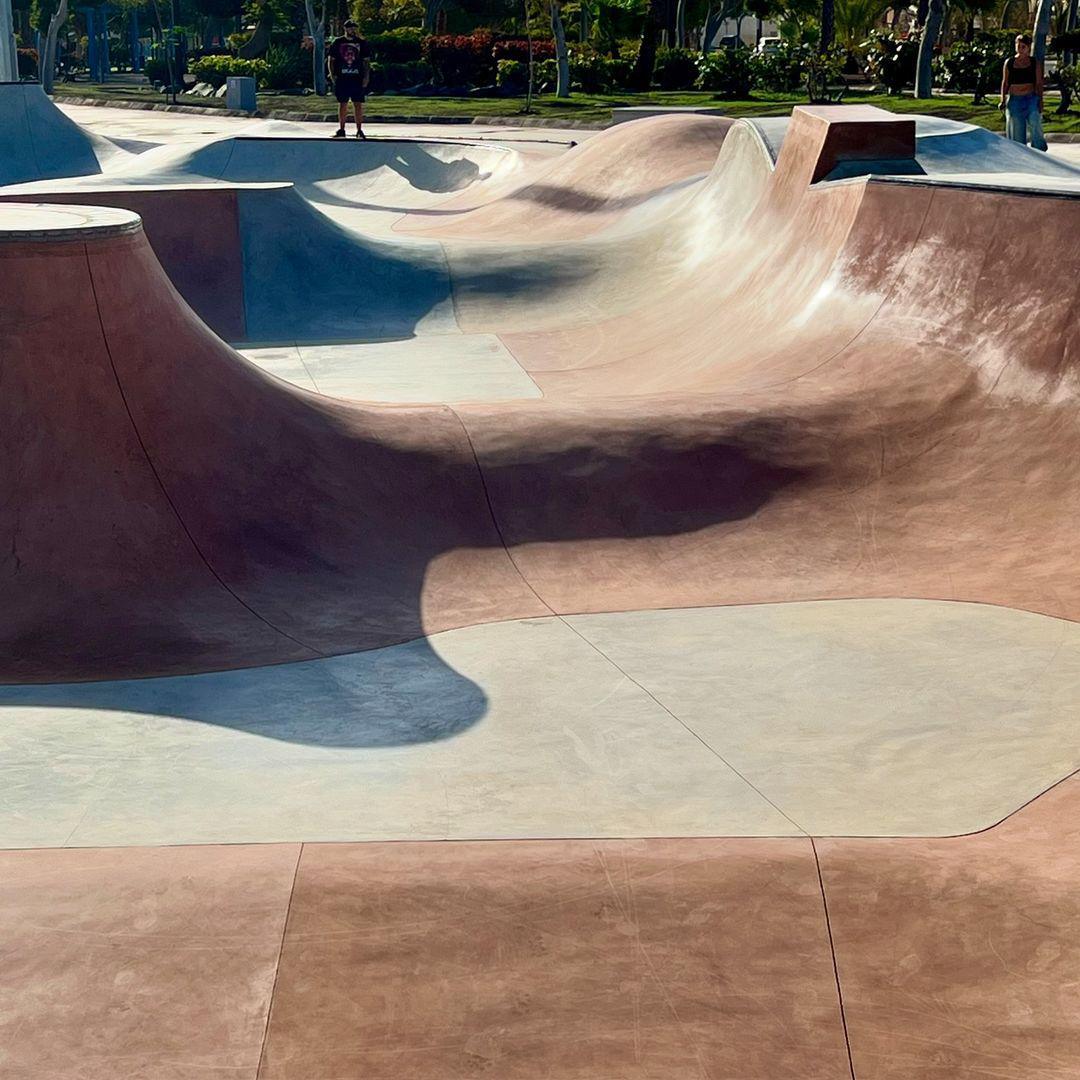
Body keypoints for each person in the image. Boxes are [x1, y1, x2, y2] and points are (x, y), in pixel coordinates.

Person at [999, 34, 1047, 151]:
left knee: (1035, 120)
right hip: (1015, 100)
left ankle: (1039, 150)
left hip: (1030, 98)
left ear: (1029, 47)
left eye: (1023, 46)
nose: (1020, 48)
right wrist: (1002, 99)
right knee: (1017, 131)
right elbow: (1005, 83)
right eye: (1018, 45)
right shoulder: (1009, 62)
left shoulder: (1034, 63)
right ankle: (1020, 153)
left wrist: (1040, 101)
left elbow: (1039, 84)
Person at [327, 20, 371, 140]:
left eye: (354, 28)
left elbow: (366, 61)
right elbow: (331, 59)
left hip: (357, 78)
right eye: (350, 28)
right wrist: (332, 74)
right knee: (343, 103)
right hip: (342, 78)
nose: (353, 30)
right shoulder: (338, 42)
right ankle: (342, 129)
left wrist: (366, 77)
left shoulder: (361, 43)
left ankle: (359, 130)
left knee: (358, 104)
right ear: (345, 29)